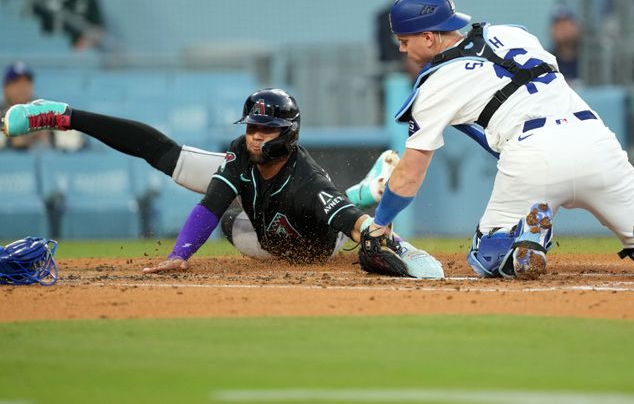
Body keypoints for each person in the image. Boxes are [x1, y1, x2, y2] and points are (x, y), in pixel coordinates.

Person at [367, 0, 634, 280]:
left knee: (485, 254)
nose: (401, 49)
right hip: (597, 141)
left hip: (533, 154)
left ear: (428, 38)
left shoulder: (435, 84)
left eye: (404, 40)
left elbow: (411, 173)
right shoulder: (516, 33)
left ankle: (524, 240)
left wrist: (380, 224)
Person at [1, 88, 443, 278]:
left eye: (265, 130)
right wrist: (180, 255)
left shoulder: (309, 180)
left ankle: (366, 192)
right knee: (165, 155)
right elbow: (210, 206)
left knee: (250, 220)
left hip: (302, 242)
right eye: (252, 127)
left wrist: (373, 232)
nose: (255, 135)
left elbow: (345, 219)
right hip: (259, 212)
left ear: (287, 134)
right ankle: (61, 114)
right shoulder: (241, 151)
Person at [0, 62, 83, 151]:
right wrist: (11, 140)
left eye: (27, 82)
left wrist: (50, 136)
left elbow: (77, 140)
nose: (22, 87)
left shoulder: (44, 110)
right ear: (6, 87)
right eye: (16, 82)